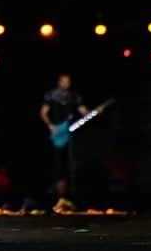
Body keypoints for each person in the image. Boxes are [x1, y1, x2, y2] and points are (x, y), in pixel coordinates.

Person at [40, 73, 89, 211]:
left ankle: (67, 197)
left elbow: (83, 111)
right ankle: (53, 196)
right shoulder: (50, 95)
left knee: (68, 166)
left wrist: (93, 112)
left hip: (69, 134)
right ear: (59, 82)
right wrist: (50, 125)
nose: (66, 84)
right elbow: (43, 112)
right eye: (63, 81)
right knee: (55, 165)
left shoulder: (74, 96)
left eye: (68, 82)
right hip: (55, 133)